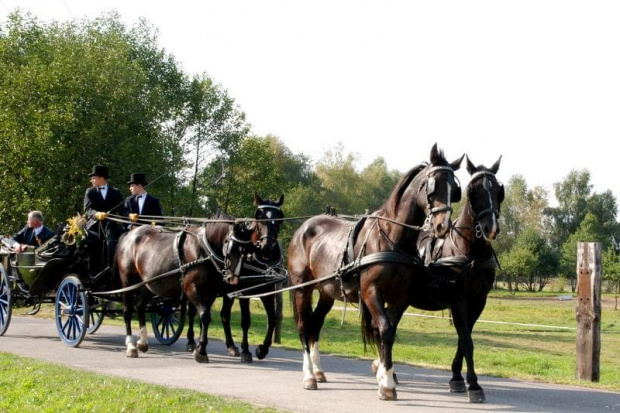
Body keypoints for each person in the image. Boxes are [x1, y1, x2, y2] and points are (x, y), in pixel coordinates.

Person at [83, 165, 127, 271]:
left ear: (101, 178)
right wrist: (96, 214)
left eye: (94, 178)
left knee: (112, 241)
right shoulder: (90, 192)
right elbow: (87, 209)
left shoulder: (115, 192)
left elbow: (122, 210)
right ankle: (92, 268)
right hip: (94, 225)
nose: (91, 180)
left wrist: (130, 218)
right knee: (91, 243)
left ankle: (112, 268)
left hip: (110, 224)